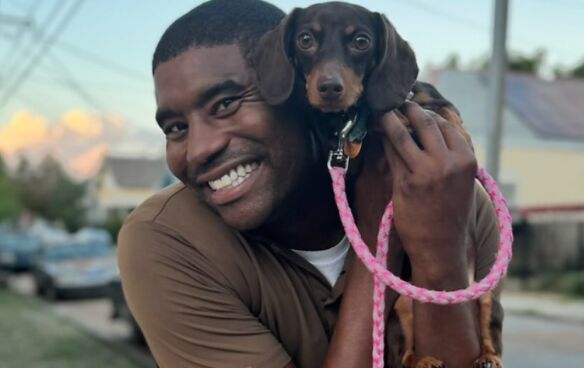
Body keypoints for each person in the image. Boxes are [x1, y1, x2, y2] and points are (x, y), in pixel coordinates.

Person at [117, 1, 503, 367]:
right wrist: (377, 239)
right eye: (176, 128)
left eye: (227, 103)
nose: (200, 150)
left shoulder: (454, 202)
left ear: (293, 86)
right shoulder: (167, 240)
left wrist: (440, 252)